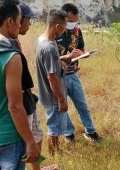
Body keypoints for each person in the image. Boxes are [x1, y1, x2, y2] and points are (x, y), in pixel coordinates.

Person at [0, 0, 40, 169]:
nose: (20, 25)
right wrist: (31, 142)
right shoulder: (10, 56)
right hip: (9, 137)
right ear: (10, 22)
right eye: (19, 20)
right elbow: (15, 106)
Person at [56, 3, 101, 143]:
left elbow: (81, 47)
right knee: (62, 107)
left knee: (82, 105)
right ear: (62, 18)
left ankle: (90, 131)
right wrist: (67, 57)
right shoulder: (54, 33)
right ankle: (69, 134)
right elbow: (48, 59)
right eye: (70, 21)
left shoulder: (77, 30)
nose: (73, 24)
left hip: (73, 74)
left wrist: (83, 54)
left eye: (75, 21)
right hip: (58, 77)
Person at [11, 2, 44, 170]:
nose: (30, 23)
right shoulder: (8, 49)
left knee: (38, 135)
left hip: (29, 99)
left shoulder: (15, 43)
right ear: (16, 20)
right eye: (28, 19)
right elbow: (14, 104)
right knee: (26, 144)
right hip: (22, 104)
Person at [36, 9, 68, 155]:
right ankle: (53, 155)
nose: (65, 30)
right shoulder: (48, 47)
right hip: (53, 96)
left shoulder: (44, 40)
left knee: (55, 126)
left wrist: (60, 63)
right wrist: (61, 99)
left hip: (49, 94)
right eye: (64, 26)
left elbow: (50, 65)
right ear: (57, 26)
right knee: (54, 128)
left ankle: (57, 149)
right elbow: (51, 77)